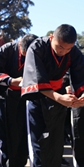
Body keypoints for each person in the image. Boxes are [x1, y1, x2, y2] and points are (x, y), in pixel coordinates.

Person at [21, 24, 84, 167]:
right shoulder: (36, 48)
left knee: (56, 144)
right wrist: (59, 97)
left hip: (59, 99)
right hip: (38, 98)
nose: (63, 52)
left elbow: (82, 75)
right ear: (51, 37)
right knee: (39, 144)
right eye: (60, 47)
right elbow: (36, 80)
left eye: (68, 48)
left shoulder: (73, 52)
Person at [0, 34, 38, 167]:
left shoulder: (38, 51)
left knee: (23, 137)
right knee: (7, 138)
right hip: (6, 98)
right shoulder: (7, 50)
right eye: (25, 53)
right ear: (20, 44)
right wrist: (10, 80)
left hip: (26, 99)